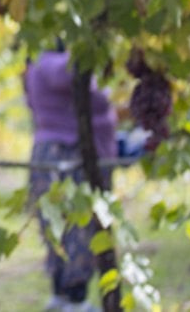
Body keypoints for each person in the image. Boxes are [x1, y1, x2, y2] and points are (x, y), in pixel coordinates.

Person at [24, 48, 117, 312]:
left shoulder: (37, 63)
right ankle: (74, 298)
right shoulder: (55, 63)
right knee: (78, 227)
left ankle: (64, 295)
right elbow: (75, 79)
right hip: (69, 155)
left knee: (59, 227)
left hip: (55, 152)